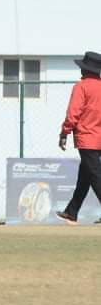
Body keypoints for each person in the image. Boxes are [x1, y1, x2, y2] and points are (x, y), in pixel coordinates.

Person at [56, 51, 101, 225]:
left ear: (85, 70)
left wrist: (64, 133)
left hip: (87, 139)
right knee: (86, 176)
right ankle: (71, 212)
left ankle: (71, 212)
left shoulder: (81, 87)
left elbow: (73, 114)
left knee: (95, 176)